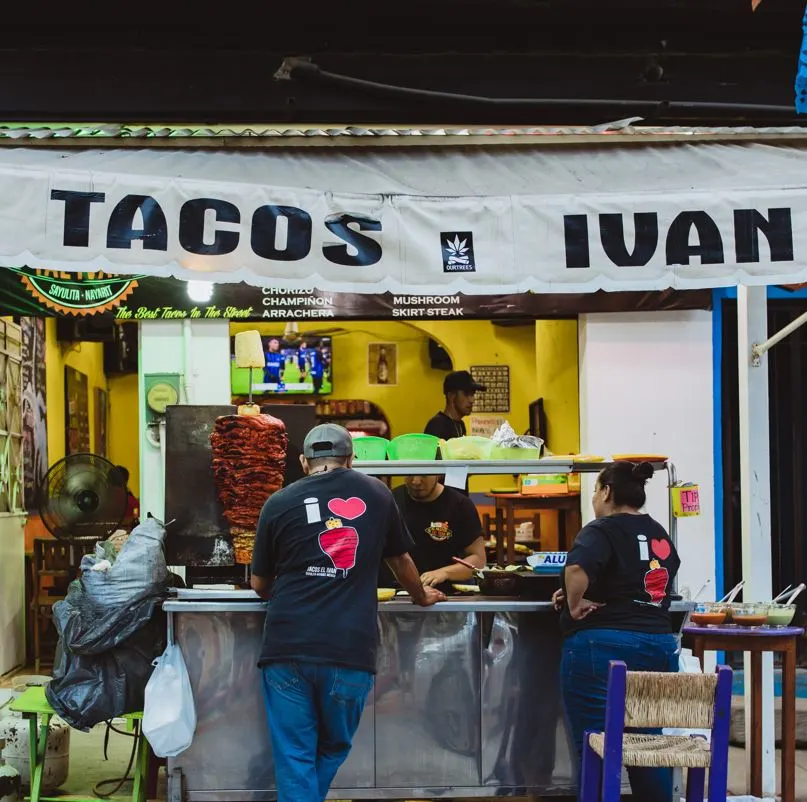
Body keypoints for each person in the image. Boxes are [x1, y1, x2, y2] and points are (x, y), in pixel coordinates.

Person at [250, 423, 445, 802]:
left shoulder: (277, 502)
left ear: (304, 461)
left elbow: (260, 585)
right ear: (351, 458)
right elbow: (401, 561)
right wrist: (421, 596)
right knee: (333, 747)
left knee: (295, 756)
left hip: (287, 646)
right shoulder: (378, 494)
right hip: (349, 650)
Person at [552, 461, 681, 802]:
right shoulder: (658, 532)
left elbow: (578, 567)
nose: (594, 497)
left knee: (595, 747)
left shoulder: (602, 528)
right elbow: (639, 580)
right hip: (658, 647)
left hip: (602, 650)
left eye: (595, 489)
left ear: (607, 491)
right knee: (648, 748)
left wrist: (575, 603)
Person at [378, 474, 486, 595]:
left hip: (445, 595)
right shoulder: (390, 500)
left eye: (424, 475)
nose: (416, 481)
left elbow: (478, 560)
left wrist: (444, 573)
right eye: (409, 475)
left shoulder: (460, 504)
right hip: (396, 595)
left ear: (438, 474)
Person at [424, 370, 486, 441]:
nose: (472, 400)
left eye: (472, 394)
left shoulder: (460, 425)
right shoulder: (436, 425)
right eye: (466, 394)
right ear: (451, 396)